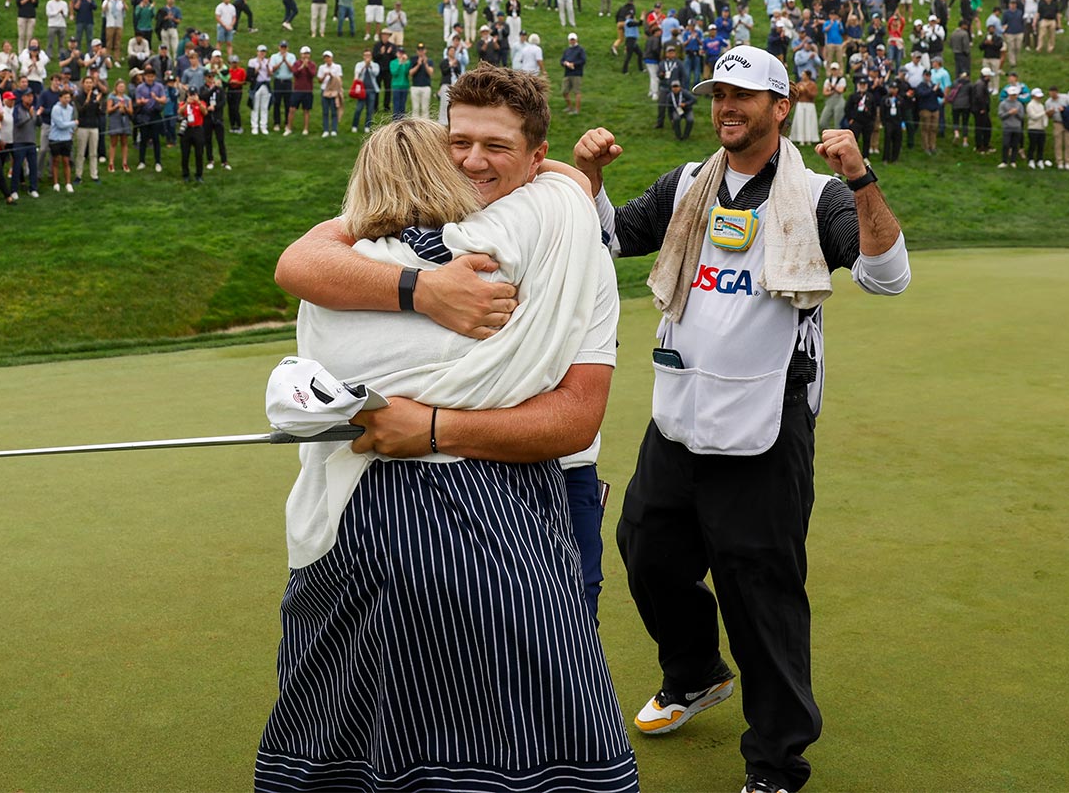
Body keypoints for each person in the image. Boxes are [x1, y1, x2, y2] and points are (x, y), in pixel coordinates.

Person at [264, 71, 634, 792]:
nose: (470, 161)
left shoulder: (571, 244)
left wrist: (428, 428)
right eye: (456, 141)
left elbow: (577, 414)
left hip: (542, 493)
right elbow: (298, 260)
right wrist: (423, 290)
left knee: (534, 692)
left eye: (496, 145)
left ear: (535, 155)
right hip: (406, 514)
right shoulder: (383, 252)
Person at [571, 44, 908, 793]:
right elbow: (611, 239)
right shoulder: (687, 183)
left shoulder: (820, 196)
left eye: (744, 96)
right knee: (647, 556)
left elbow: (888, 276)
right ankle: (694, 676)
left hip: (767, 425)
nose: (727, 107)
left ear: (779, 108)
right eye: (719, 94)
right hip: (679, 417)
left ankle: (777, 760)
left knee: (763, 597)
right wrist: (589, 178)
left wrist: (861, 179)